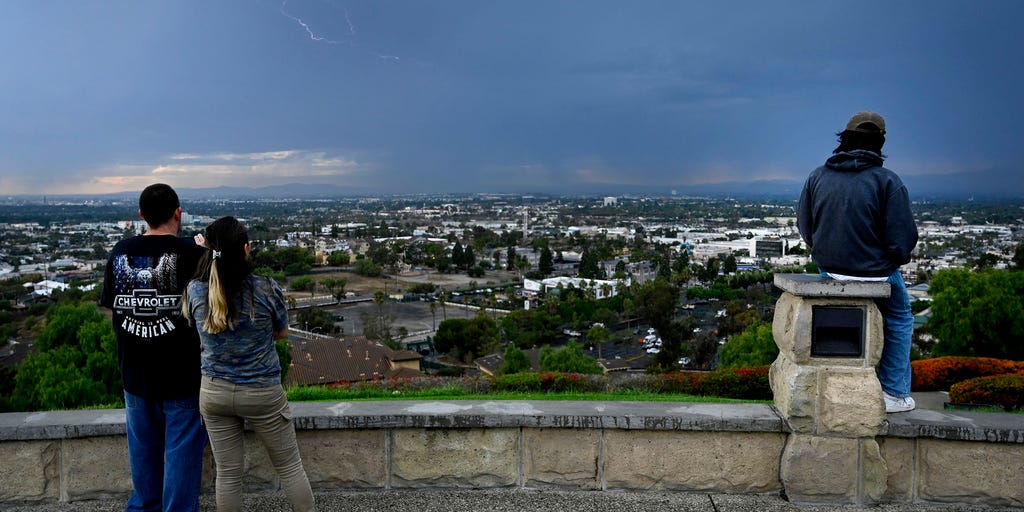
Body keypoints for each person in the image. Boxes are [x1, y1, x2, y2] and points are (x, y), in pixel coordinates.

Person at [183, 216, 314, 512]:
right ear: (246, 249)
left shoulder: (194, 290)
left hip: (214, 393)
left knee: (228, 475)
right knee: (290, 468)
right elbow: (281, 333)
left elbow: (197, 328)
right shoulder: (265, 288)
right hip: (261, 391)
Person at [797, 111, 920, 413]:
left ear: (844, 139)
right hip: (877, 272)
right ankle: (893, 392)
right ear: (880, 142)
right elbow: (902, 239)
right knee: (901, 317)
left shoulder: (817, 176)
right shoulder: (888, 182)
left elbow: (804, 225)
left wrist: (825, 251)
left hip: (830, 269)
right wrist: (890, 261)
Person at [99, 183, 207, 511]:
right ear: (178, 213)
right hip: (182, 377)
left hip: (135, 374)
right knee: (181, 461)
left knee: (143, 461)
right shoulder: (194, 253)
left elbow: (110, 308)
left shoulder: (120, 252)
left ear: (141, 216)